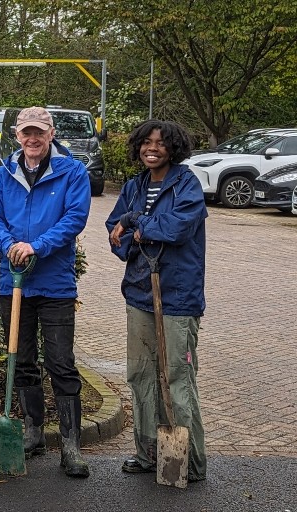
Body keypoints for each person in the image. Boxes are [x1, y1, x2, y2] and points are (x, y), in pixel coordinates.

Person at [0, 106, 91, 478]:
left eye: (39, 133)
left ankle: (71, 444)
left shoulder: (72, 171)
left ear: (51, 133)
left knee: (60, 362)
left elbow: (74, 218)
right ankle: (32, 432)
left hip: (55, 283)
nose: (32, 139)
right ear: (17, 135)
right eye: (26, 133)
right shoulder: (5, 172)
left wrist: (36, 246)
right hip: (13, 282)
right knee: (22, 359)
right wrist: (10, 244)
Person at [106, 119, 207, 482]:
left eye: (161, 143)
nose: (153, 148)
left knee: (177, 376)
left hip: (178, 297)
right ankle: (148, 453)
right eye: (147, 142)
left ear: (173, 149)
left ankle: (190, 460)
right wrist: (130, 233)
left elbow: (177, 229)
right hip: (139, 293)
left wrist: (135, 223)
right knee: (141, 375)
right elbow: (114, 233)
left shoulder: (187, 185)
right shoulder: (134, 186)